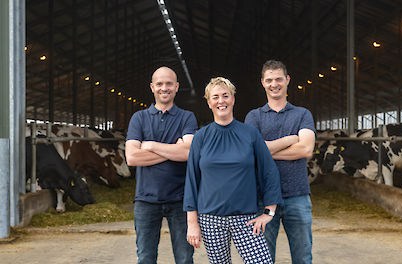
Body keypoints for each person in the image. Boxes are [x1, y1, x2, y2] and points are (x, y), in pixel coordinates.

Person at [183, 77, 282, 264]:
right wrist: (192, 223)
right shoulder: (201, 137)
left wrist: (269, 211)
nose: (221, 101)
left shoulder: (250, 133)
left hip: (246, 218)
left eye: (225, 95)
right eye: (215, 97)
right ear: (209, 102)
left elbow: (269, 171)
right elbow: (191, 179)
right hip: (210, 219)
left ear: (233, 99)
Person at [244, 60, 317, 264]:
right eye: (269, 80)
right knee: (262, 258)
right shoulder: (254, 116)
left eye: (278, 79)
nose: (274, 84)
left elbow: (306, 149)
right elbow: (249, 151)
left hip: (297, 195)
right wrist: (287, 141)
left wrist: (265, 151)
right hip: (262, 197)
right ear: (262, 83)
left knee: (303, 256)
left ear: (287, 80)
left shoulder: (302, 114)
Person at [125, 66, 198, 264]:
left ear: (176, 87)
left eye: (168, 84)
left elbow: (189, 153)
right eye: (159, 84)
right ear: (152, 87)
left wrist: (151, 146)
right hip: (146, 200)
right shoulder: (139, 118)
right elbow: (131, 158)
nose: (163, 88)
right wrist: (173, 150)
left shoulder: (187, 117)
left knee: (184, 259)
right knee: (146, 258)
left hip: (180, 200)